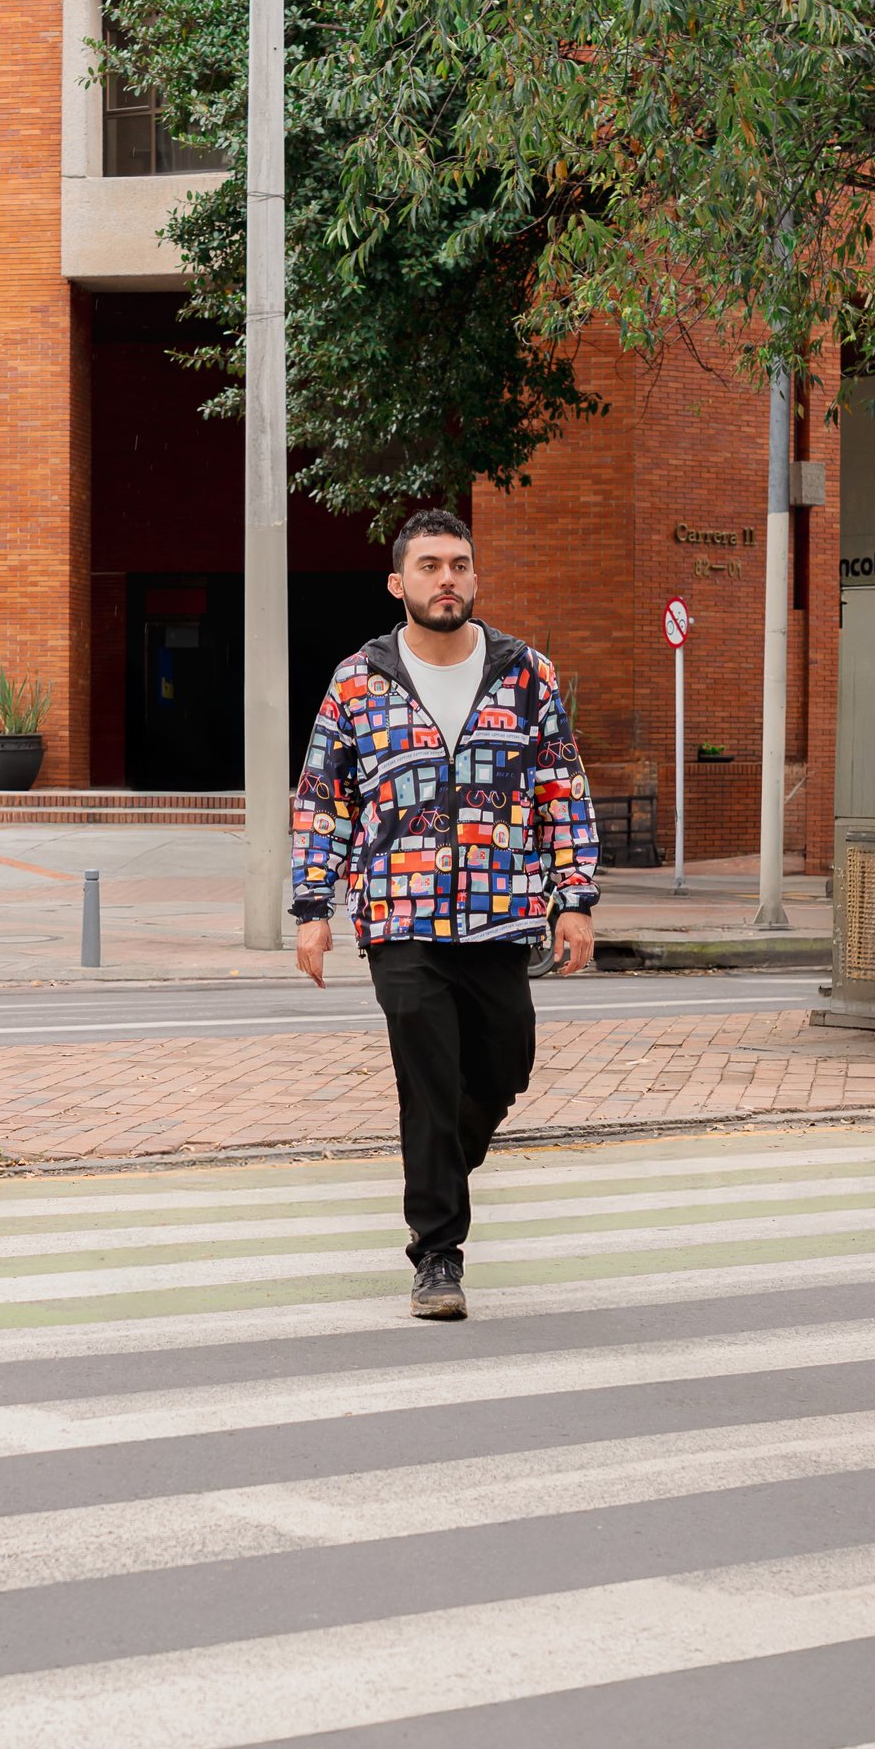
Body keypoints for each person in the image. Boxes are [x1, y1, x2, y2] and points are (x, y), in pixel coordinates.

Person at [291, 508, 600, 1320]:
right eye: (429, 566)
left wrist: (574, 898)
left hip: (502, 915)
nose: (446, 579)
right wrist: (313, 906)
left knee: (505, 1065)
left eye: (458, 564)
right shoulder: (358, 680)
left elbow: (562, 790)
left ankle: (441, 1170)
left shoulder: (526, 674)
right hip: (401, 918)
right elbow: (324, 800)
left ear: (475, 577)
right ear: (399, 584)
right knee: (428, 1082)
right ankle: (437, 1255)